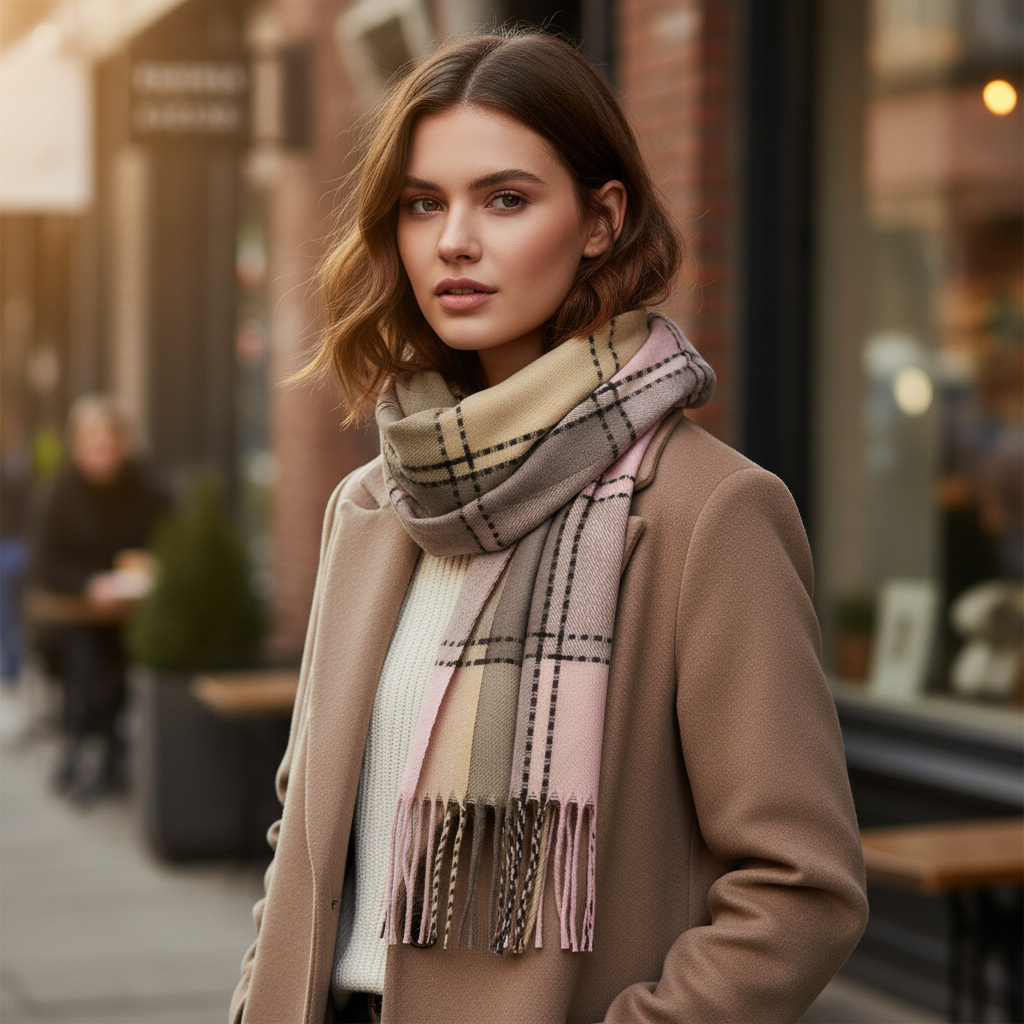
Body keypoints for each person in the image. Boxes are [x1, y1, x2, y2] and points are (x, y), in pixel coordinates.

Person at [233, 31, 868, 1024]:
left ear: (599, 220)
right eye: (422, 203)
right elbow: (307, 832)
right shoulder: (369, 510)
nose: (453, 241)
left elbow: (800, 888)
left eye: (505, 199)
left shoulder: (707, 513)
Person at [30, 395, 167, 806]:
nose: (103, 456)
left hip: (132, 613)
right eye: (94, 446)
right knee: (85, 656)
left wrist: (146, 575)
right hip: (72, 614)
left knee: (120, 659)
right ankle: (78, 749)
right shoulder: (58, 494)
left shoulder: (144, 490)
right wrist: (90, 585)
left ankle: (111, 755)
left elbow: (165, 544)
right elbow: (45, 563)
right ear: (78, 447)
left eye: (110, 446)